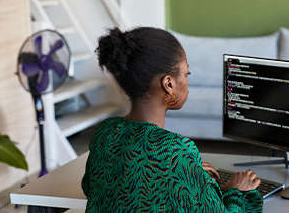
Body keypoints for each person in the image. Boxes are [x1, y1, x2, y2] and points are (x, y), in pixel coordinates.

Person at [81, 27, 263, 212]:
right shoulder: (176, 152)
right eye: (186, 74)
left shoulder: (104, 132)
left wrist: (190, 172)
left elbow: (91, 188)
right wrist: (235, 190)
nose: (188, 81)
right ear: (169, 84)